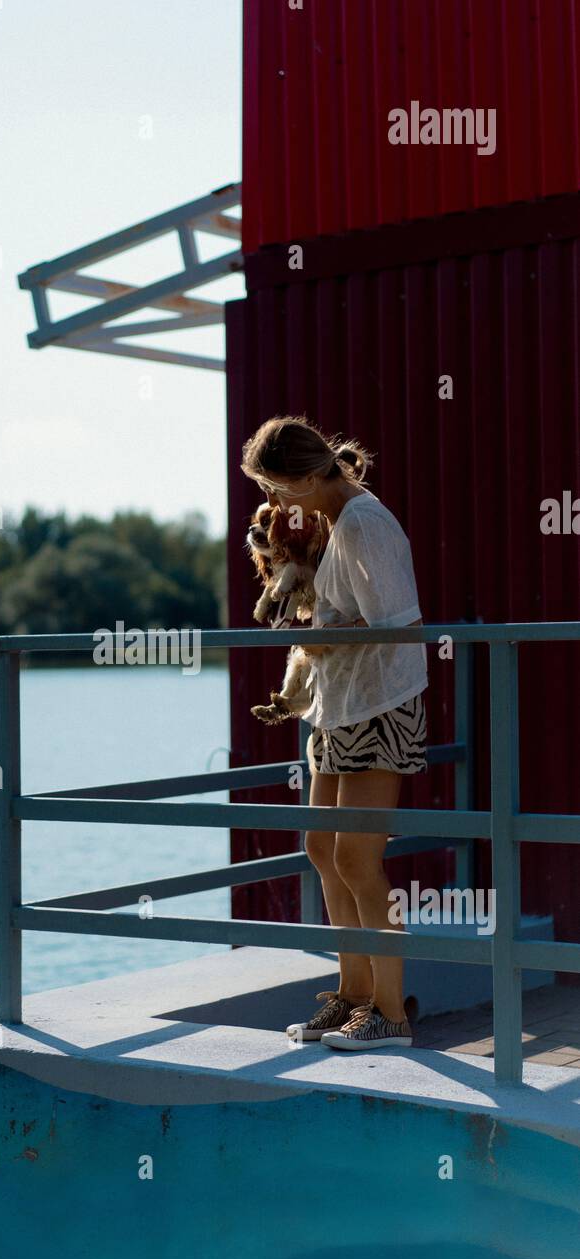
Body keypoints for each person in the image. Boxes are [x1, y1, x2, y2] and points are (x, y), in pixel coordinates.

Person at [241, 415, 428, 1050]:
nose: (272, 504)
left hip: (381, 702)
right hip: (337, 703)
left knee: (357, 858)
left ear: (306, 475)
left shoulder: (365, 522)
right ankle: (351, 996)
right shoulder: (331, 521)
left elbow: (399, 624)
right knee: (323, 850)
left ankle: (389, 1014)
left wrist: (319, 636)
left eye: (275, 487)